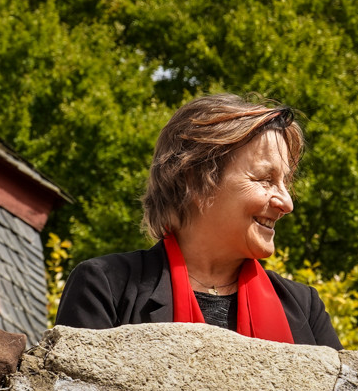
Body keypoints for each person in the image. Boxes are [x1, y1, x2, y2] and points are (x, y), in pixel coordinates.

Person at [55, 94, 342, 348]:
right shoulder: (106, 287)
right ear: (196, 180)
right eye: (265, 180)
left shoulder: (305, 309)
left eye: (285, 183)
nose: (287, 203)